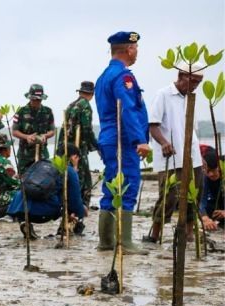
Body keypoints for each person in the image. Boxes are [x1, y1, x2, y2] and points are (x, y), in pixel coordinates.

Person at [94, 31, 150, 254]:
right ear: (129, 49)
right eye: (135, 48)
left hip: (109, 138)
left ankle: (106, 241)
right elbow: (127, 108)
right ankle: (124, 242)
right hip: (122, 140)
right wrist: (140, 140)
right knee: (126, 186)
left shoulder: (104, 76)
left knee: (111, 186)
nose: (137, 53)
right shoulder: (122, 77)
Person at [143, 67, 205, 243]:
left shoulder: (190, 98)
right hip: (170, 155)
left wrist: (199, 154)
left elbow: (192, 130)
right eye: (192, 81)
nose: (194, 86)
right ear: (180, 76)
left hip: (192, 155)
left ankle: (189, 233)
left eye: (198, 83)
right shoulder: (163, 94)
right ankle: (155, 234)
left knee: (195, 194)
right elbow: (153, 125)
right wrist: (163, 142)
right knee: (168, 197)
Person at [7, 144, 87, 238]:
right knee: (69, 203)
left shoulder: (41, 163)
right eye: (78, 159)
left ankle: (24, 222)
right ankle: (64, 229)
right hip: (43, 212)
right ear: (74, 157)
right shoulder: (68, 170)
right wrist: (81, 212)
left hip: (18, 206)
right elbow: (75, 200)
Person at [57, 81, 99, 208]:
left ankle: (67, 202)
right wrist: (97, 146)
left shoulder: (70, 106)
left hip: (66, 147)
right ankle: (81, 205)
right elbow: (87, 129)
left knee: (68, 174)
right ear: (91, 94)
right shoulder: (85, 106)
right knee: (84, 178)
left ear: (80, 92)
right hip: (78, 148)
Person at [12, 84, 55, 171]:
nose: (37, 101)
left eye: (39, 99)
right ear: (30, 98)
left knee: (43, 178)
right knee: (24, 179)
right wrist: (27, 137)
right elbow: (14, 131)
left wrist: (45, 136)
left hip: (42, 153)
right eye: (34, 99)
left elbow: (52, 131)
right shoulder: (21, 112)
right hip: (25, 155)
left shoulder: (48, 111)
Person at [200, 147, 224, 231]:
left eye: (214, 170)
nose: (211, 174)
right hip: (216, 204)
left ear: (219, 167)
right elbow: (202, 200)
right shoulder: (205, 177)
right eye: (208, 171)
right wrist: (204, 217)